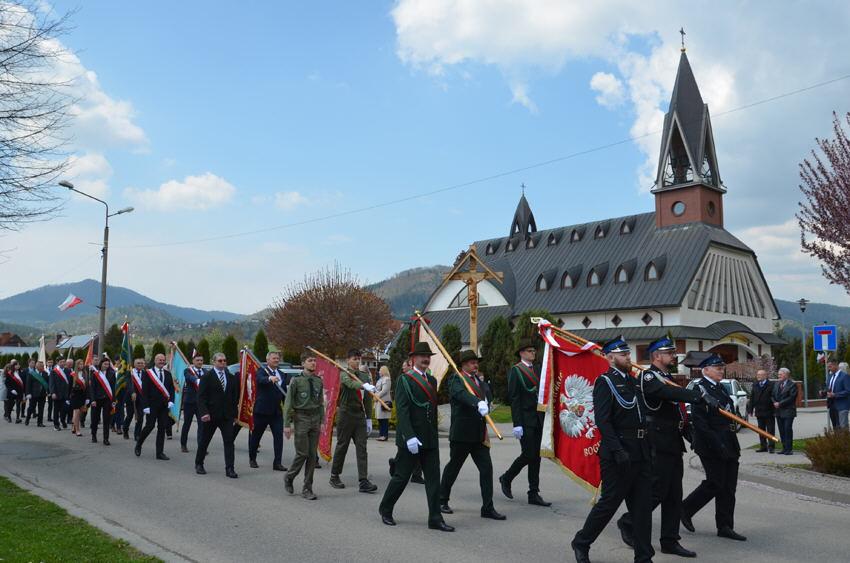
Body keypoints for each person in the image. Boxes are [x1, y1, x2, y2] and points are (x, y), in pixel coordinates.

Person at [616, 337, 712, 559]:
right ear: (657, 356)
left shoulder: (667, 377)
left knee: (674, 494)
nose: (673, 356)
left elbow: (676, 408)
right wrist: (698, 396)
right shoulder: (649, 376)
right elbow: (666, 393)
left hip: (672, 440)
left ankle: (669, 540)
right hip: (657, 442)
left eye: (673, 352)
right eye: (669, 353)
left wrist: (688, 430)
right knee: (657, 491)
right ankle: (628, 521)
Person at [571, 337, 652, 563]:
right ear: (610, 357)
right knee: (609, 504)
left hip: (640, 451)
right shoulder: (605, 382)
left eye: (628, 354)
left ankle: (644, 557)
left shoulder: (633, 381)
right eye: (623, 354)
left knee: (642, 508)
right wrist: (617, 450)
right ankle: (582, 542)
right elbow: (603, 421)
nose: (628, 357)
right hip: (618, 454)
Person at [379, 342, 453, 532]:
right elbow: (402, 411)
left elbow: (432, 411)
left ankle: (435, 518)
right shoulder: (405, 380)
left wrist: (434, 436)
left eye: (428, 356)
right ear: (413, 359)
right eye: (422, 356)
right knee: (401, 477)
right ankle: (385, 508)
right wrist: (409, 436)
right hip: (410, 439)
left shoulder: (432, 380)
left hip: (429, 438)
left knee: (433, 479)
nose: (426, 359)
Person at [682, 354, 746, 542]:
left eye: (721, 367)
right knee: (715, 482)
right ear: (706, 370)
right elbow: (700, 423)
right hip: (711, 445)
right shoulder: (700, 389)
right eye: (717, 368)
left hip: (729, 442)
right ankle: (685, 508)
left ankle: (725, 526)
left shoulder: (720, 388)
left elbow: (729, 415)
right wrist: (718, 445)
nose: (721, 370)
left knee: (729, 487)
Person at [439, 350, 505, 521]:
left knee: (486, 469)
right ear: (463, 365)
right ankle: (442, 500)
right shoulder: (456, 379)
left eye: (476, 362)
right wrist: (477, 402)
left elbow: (487, 396)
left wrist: (487, 400)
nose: (475, 365)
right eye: (472, 362)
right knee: (454, 467)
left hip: (479, 434)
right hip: (462, 433)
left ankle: (487, 507)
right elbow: (461, 395)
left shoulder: (479, 381)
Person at [499, 338, 551, 507]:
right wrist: (517, 424)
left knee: (536, 457)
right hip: (525, 419)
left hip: (538, 419)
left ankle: (533, 492)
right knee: (528, 454)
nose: (533, 353)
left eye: (534, 351)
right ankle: (507, 477)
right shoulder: (516, 371)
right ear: (521, 353)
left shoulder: (538, 369)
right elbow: (514, 398)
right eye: (529, 351)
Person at [330, 349, 378, 493]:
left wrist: (369, 418)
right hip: (346, 414)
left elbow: (367, 399)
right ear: (348, 360)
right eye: (354, 359)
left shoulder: (364, 376)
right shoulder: (344, 373)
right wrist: (362, 385)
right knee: (342, 446)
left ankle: (363, 480)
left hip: (359, 415)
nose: (357, 361)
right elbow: (350, 384)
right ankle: (334, 475)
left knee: (362, 448)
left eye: (358, 359)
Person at [283, 350, 325, 499]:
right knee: (302, 453)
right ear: (303, 363)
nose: (313, 363)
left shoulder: (318, 381)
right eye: (310, 361)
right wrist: (287, 424)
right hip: (301, 418)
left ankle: (307, 488)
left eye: (314, 360)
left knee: (312, 456)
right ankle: (289, 476)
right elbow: (288, 404)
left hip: (315, 418)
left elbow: (320, 403)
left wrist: (322, 421)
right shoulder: (296, 381)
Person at [195, 352, 239, 478]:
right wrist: (204, 413)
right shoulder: (207, 377)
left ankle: (230, 468)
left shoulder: (231, 377)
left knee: (229, 441)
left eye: (224, 360)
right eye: (220, 361)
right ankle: (199, 463)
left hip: (226, 416)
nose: (223, 363)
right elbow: (201, 397)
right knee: (204, 440)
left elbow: (234, 397)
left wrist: (235, 415)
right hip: (211, 415)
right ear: (213, 362)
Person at [249, 351, 288, 471]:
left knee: (278, 437)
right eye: (274, 358)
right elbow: (260, 380)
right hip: (262, 411)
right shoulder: (262, 371)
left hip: (276, 412)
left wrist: (288, 408)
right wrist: (269, 378)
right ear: (268, 360)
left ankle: (277, 463)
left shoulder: (282, 374)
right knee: (256, 436)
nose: (276, 360)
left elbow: (284, 393)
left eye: (277, 358)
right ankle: (252, 458)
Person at [135, 353, 175, 459]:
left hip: (164, 406)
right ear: (155, 360)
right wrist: (145, 406)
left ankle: (159, 453)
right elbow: (144, 391)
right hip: (151, 405)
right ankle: (139, 444)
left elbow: (171, 388)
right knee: (150, 426)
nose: (162, 362)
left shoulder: (168, 374)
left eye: (163, 360)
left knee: (162, 428)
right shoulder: (148, 373)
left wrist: (171, 400)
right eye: (159, 360)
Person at [88, 357, 117, 445]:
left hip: (107, 399)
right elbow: (92, 388)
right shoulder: (95, 374)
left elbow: (113, 388)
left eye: (108, 364)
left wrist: (114, 400)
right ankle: (94, 435)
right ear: (101, 364)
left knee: (106, 419)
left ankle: (106, 438)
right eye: (105, 364)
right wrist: (92, 400)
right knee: (95, 418)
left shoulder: (112, 374)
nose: (106, 366)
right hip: (97, 399)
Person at [181, 353, 205, 453]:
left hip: (201, 403)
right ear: (193, 361)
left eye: (201, 360)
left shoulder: (206, 372)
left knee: (202, 425)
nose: (199, 362)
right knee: (187, 424)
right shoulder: (188, 371)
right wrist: (196, 380)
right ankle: (183, 444)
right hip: (189, 402)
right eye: (197, 360)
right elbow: (189, 378)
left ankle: (201, 447)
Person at [747, 369, 776, 453]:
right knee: (761, 430)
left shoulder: (771, 384)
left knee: (770, 430)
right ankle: (763, 446)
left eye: (760, 375)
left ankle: (771, 446)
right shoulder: (755, 384)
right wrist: (750, 409)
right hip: (759, 411)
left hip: (769, 411)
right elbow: (752, 397)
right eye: (757, 375)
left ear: (765, 376)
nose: (758, 376)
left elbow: (774, 396)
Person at [772, 367, 798, 455]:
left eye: (780, 374)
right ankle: (784, 448)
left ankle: (789, 449)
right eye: (778, 374)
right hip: (778, 411)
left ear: (786, 375)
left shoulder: (792, 385)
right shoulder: (777, 384)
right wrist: (774, 402)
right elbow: (772, 395)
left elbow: (792, 397)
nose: (779, 376)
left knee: (787, 429)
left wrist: (780, 403)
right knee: (781, 430)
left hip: (788, 411)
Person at [123, 358, 146, 441]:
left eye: (142, 363)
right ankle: (125, 430)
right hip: (131, 398)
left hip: (141, 399)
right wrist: (132, 392)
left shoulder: (146, 373)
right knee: (129, 416)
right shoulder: (130, 372)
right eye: (138, 363)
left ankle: (137, 434)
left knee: (140, 417)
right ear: (134, 364)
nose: (140, 364)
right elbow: (128, 383)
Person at [25, 359, 49, 427]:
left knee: (41, 409)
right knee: (31, 408)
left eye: (43, 366)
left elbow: (47, 384)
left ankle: (40, 422)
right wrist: (28, 393)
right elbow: (28, 384)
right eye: (41, 366)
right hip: (33, 394)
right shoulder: (31, 373)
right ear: (37, 367)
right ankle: (27, 419)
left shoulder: (45, 374)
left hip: (42, 394)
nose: (43, 367)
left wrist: (49, 392)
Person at [47, 359, 69, 430]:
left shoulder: (67, 370)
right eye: (61, 362)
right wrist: (53, 392)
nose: (62, 363)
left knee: (64, 409)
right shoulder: (54, 371)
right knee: (56, 410)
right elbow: (51, 383)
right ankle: (56, 424)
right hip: (57, 393)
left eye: (64, 362)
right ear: (57, 362)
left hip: (65, 393)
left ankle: (63, 421)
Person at [69, 360, 87, 436]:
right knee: (77, 412)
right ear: (77, 365)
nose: (81, 365)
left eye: (82, 364)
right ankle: (77, 430)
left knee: (79, 412)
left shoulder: (85, 373)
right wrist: (68, 398)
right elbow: (69, 387)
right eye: (80, 364)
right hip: (75, 395)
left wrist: (87, 397)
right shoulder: (73, 374)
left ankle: (73, 426)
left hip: (82, 395)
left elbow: (87, 386)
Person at [375, 365, 392, 441]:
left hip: (384, 401)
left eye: (380, 370)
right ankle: (381, 435)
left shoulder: (387, 379)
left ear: (383, 371)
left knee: (384, 419)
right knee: (380, 419)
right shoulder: (380, 379)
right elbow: (377, 389)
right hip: (379, 401)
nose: (379, 372)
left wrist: (377, 396)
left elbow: (385, 390)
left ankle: (384, 435)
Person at [822, 359, 841, 429]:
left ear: (836, 365)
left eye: (830, 366)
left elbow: (847, 391)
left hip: (840, 405)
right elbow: (828, 388)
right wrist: (823, 392)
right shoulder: (830, 376)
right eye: (828, 367)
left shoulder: (843, 376)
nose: (828, 368)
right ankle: (835, 436)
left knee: (840, 426)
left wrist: (835, 394)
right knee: (834, 426)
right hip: (831, 404)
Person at [832, 362, 850, 428]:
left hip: (844, 405)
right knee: (839, 426)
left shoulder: (845, 376)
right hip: (836, 405)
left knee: (843, 426)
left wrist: (835, 394)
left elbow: (848, 391)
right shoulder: (835, 376)